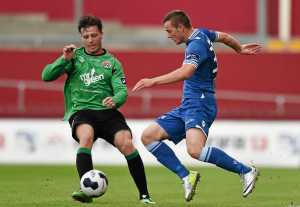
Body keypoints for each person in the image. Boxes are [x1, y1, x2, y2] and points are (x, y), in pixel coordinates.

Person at [132, 10, 261, 202]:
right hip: (188, 105)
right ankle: (186, 176)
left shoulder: (195, 46)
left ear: (181, 27)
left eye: (170, 31)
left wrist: (153, 81)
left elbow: (186, 72)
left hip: (200, 103)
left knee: (195, 150)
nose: (168, 35)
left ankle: (246, 171)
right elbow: (224, 37)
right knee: (149, 136)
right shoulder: (202, 33)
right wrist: (239, 48)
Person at [42, 15, 155, 204]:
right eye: (86, 36)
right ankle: (86, 190)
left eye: (94, 35)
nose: (90, 40)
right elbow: (46, 76)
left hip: (108, 113)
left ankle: (145, 196)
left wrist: (116, 100)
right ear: (81, 36)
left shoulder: (112, 63)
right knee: (86, 137)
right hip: (82, 111)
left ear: (101, 34)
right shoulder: (73, 57)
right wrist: (63, 59)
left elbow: (121, 90)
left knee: (126, 143)